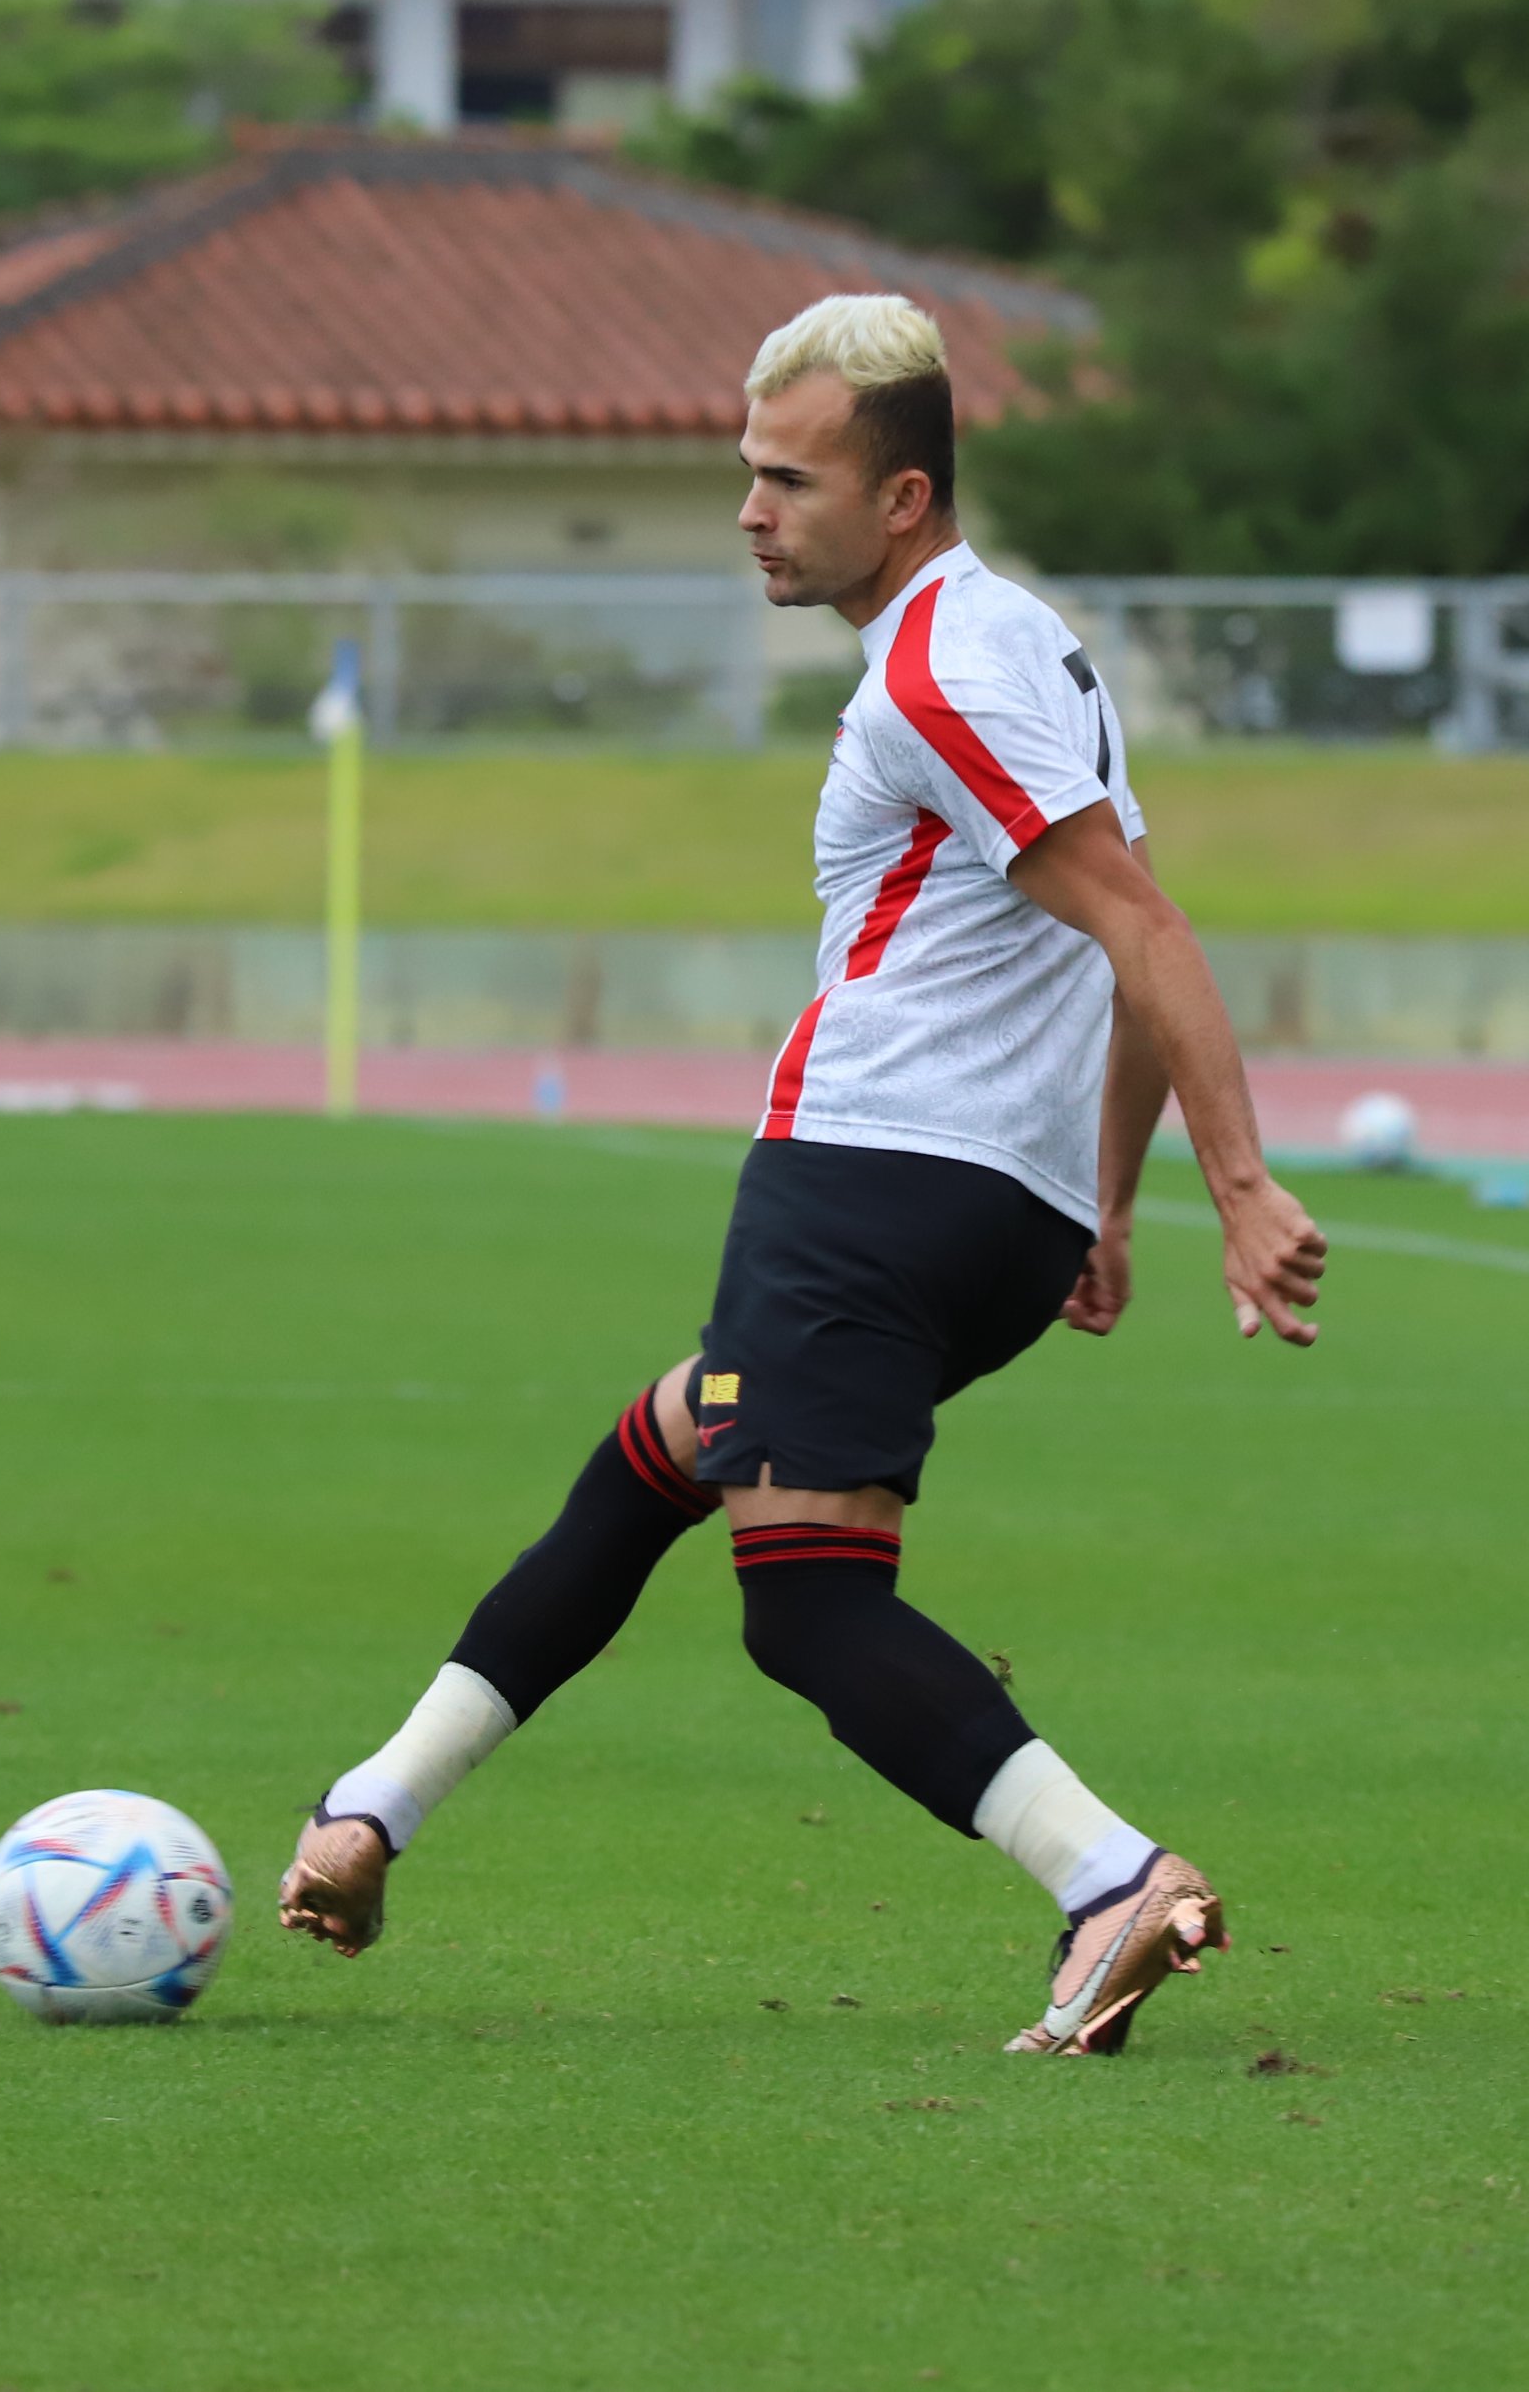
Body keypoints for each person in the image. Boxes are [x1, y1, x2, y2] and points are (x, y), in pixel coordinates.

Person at [275, 294, 1330, 2055]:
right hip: (992, 1209)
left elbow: (1147, 929)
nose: (752, 511)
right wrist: (1106, 1200)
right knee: (661, 1454)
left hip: (867, 1181)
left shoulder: (930, 676)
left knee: (809, 1601)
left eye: (790, 480)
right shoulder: (1028, 640)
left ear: (901, 497)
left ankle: (1110, 1878)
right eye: (750, 473)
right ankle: (369, 1810)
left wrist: (1235, 1185)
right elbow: (1122, 927)